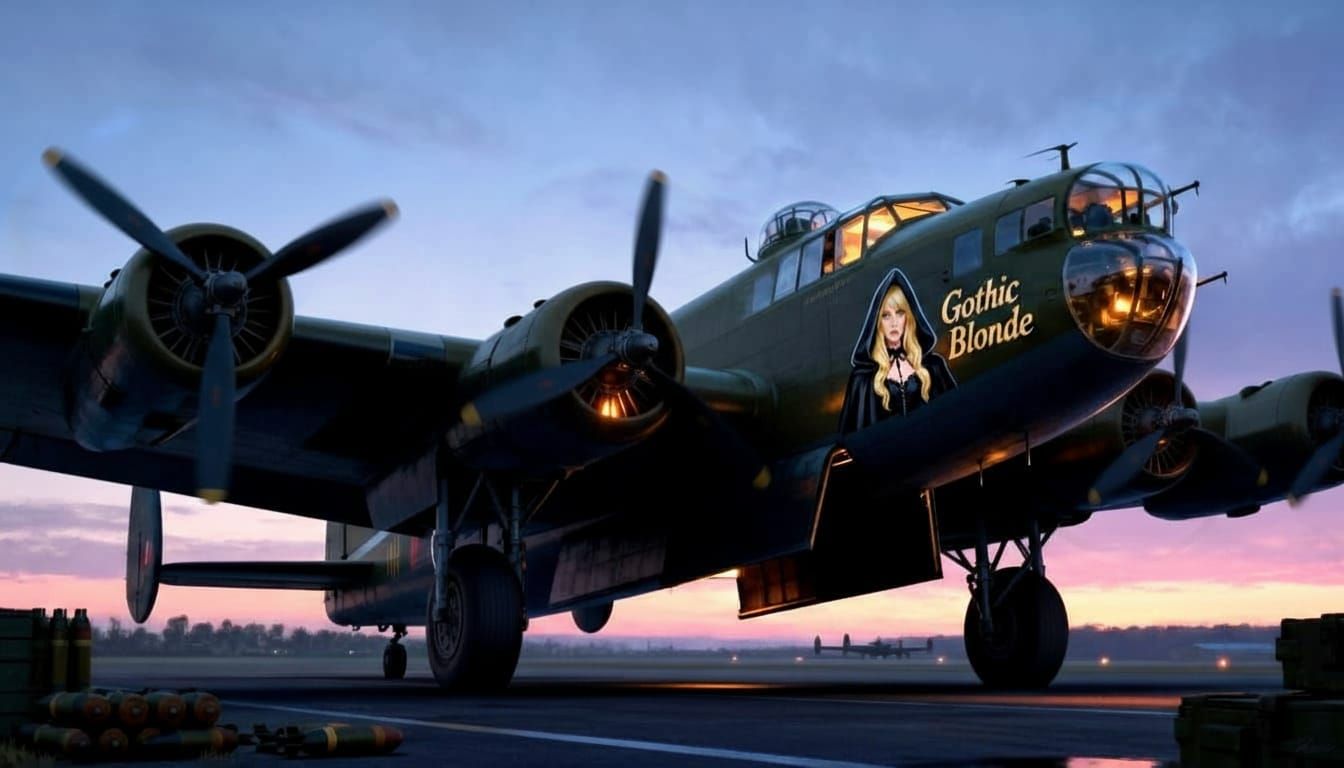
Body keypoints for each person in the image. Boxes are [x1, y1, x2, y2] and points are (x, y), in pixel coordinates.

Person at [838, 268, 956, 432]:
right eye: (886, 315)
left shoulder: (934, 366)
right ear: (878, 322)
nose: (894, 322)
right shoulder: (862, 379)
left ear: (908, 317)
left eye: (900, 313)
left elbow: (955, 414)